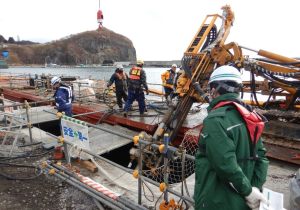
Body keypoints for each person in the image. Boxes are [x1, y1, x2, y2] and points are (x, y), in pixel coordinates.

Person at [194, 65, 269, 210]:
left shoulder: (215, 120)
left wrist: (248, 191)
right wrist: (254, 189)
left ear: (215, 89)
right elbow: (261, 157)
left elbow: (225, 164)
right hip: (242, 202)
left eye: (211, 89)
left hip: (218, 201)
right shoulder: (249, 116)